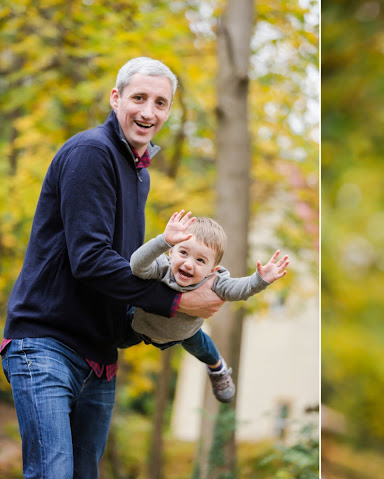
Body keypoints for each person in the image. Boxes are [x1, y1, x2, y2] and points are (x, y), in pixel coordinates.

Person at [0, 57, 223, 479]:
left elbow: (127, 269)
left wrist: (155, 323)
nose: (148, 112)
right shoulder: (91, 152)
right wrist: (175, 302)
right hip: (46, 345)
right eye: (139, 98)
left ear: (169, 111)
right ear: (116, 98)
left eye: (160, 103)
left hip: (98, 358)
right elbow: (91, 260)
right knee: (53, 472)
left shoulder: (139, 174)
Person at [126, 210, 289, 403]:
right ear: (172, 251)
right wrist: (163, 240)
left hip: (184, 332)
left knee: (203, 347)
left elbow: (238, 290)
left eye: (200, 260)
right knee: (113, 334)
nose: (188, 264)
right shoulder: (162, 266)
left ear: (212, 269)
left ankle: (218, 369)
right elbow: (136, 266)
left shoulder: (215, 281)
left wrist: (260, 280)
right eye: (183, 252)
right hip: (137, 324)